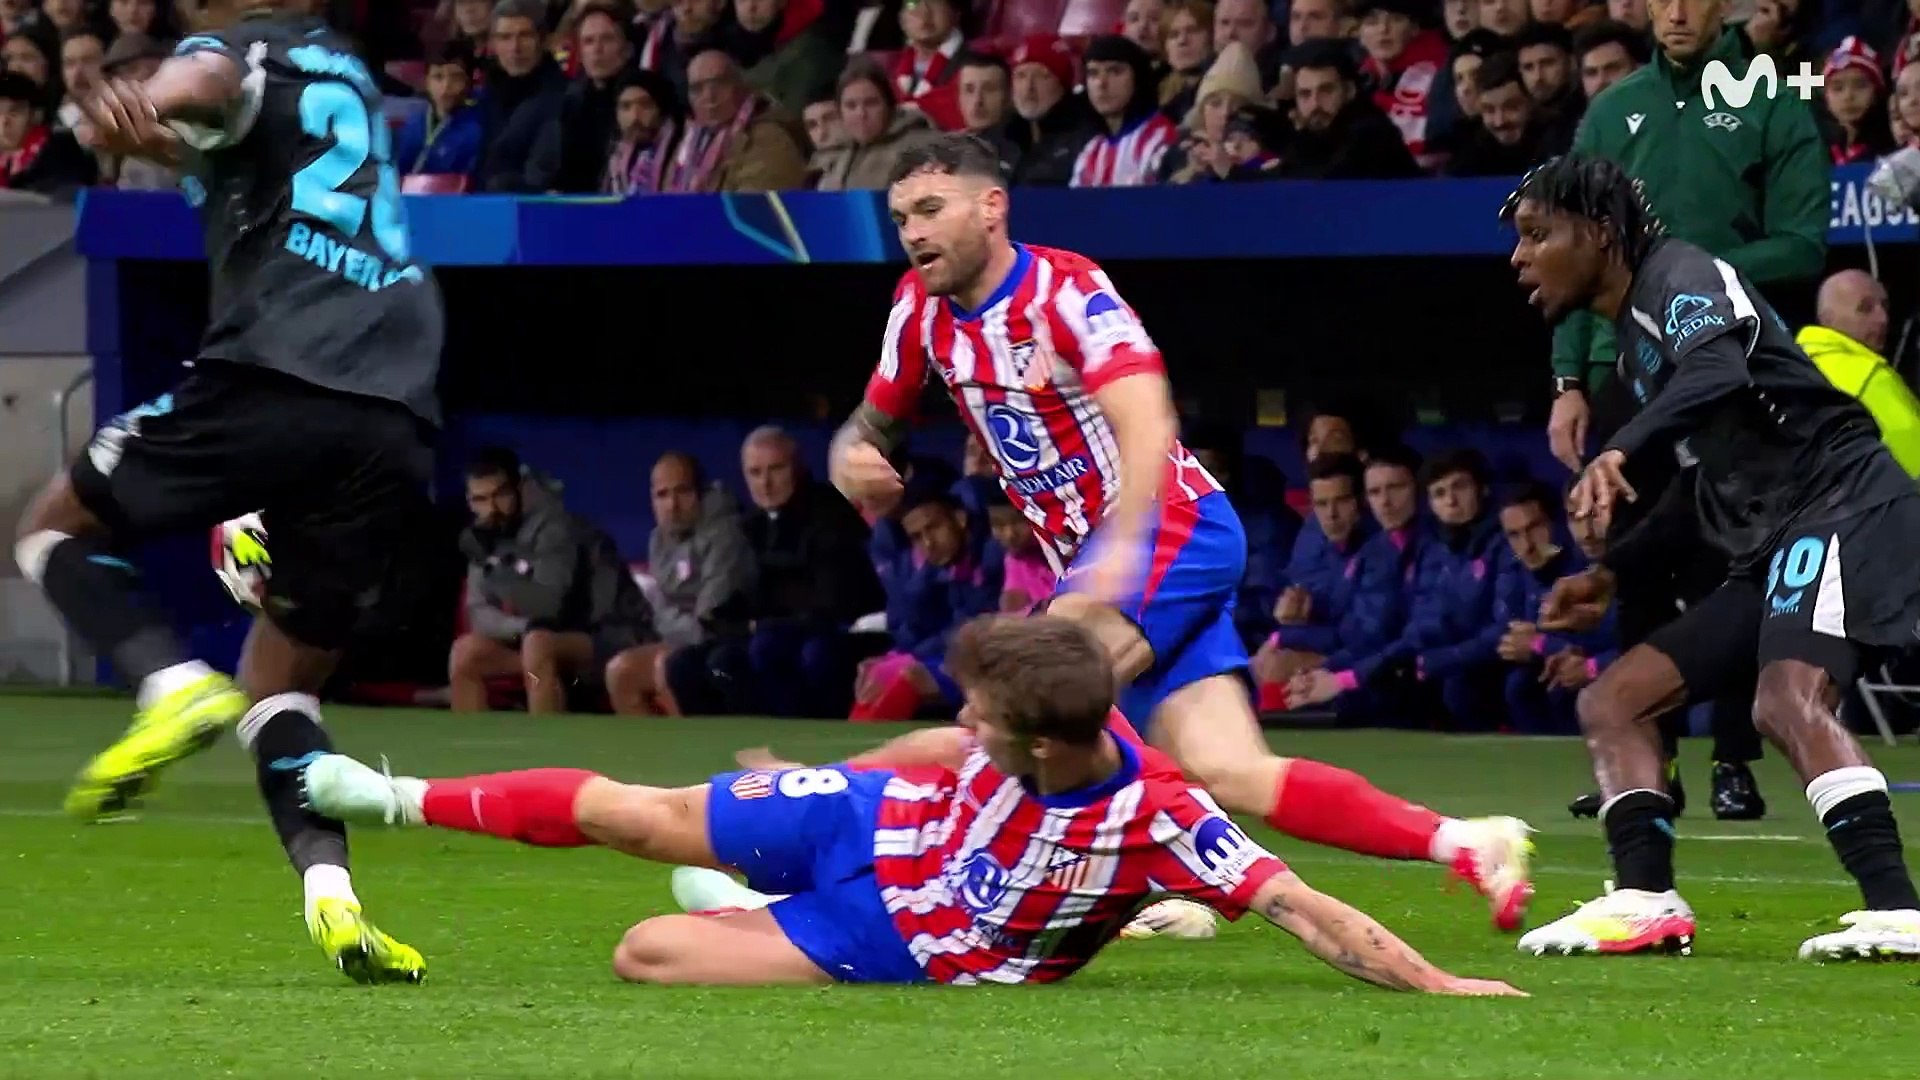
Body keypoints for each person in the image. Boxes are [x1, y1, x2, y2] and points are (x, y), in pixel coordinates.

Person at [824, 132, 1534, 932]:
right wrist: (850, 454)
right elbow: (870, 421)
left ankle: (848, 874)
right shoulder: (918, 309)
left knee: (1013, 710)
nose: (913, 232)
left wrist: (1122, 546)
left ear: (991, 208)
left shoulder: (1066, 289)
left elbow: (1145, 410)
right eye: (900, 217)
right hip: (1107, 562)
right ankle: (1468, 841)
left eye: (929, 209)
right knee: (1228, 771)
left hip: (1167, 530)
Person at [300, 614, 1525, 994]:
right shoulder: (1005, 732)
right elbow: (939, 744)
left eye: (989, 718)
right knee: (637, 810)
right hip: (868, 824)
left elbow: (1304, 910)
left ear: (1046, 744)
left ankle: (739, 902)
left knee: (645, 954)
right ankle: (392, 795)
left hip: (909, 937)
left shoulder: (1156, 815)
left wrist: (1443, 986)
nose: (969, 720)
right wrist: (815, 782)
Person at [11, 0, 435, 982]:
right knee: (283, 688)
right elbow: (235, 129)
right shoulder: (345, 68)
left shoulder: (239, 43)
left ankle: (168, 685)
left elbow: (207, 79)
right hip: (393, 411)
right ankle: (337, 907)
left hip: (279, 373)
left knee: (48, 529)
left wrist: (141, 93)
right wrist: (175, 134)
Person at [1503, 156, 1920, 961]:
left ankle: (1899, 909)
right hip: (1774, 539)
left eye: (1536, 235)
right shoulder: (1636, 341)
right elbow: (1703, 489)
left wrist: (1619, 446)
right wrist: (1611, 571)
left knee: (1785, 699)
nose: (1519, 257)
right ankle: (1644, 898)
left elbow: (1720, 366)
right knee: (1615, 702)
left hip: (1843, 503)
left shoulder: (1680, 273)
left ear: (1597, 233)